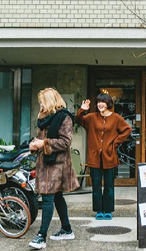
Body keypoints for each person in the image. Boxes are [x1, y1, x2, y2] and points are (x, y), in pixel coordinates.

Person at [28, 88, 80, 250]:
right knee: (57, 197)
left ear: (50, 101)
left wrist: (43, 144)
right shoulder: (46, 118)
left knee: (48, 197)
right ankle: (66, 229)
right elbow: (42, 138)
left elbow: (66, 142)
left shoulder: (64, 117)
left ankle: (41, 236)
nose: (40, 104)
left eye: (42, 101)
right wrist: (34, 144)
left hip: (57, 164)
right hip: (46, 162)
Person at [76, 93, 132, 220]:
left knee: (109, 185)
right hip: (94, 156)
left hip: (109, 156)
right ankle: (98, 210)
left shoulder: (116, 118)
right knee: (96, 184)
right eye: (98, 102)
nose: (100, 104)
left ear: (108, 103)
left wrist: (114, 143)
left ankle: (108, 210)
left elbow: (127, 129)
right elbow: (78, 120)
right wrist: (82, 110)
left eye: (103, 102)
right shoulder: (91, 117)